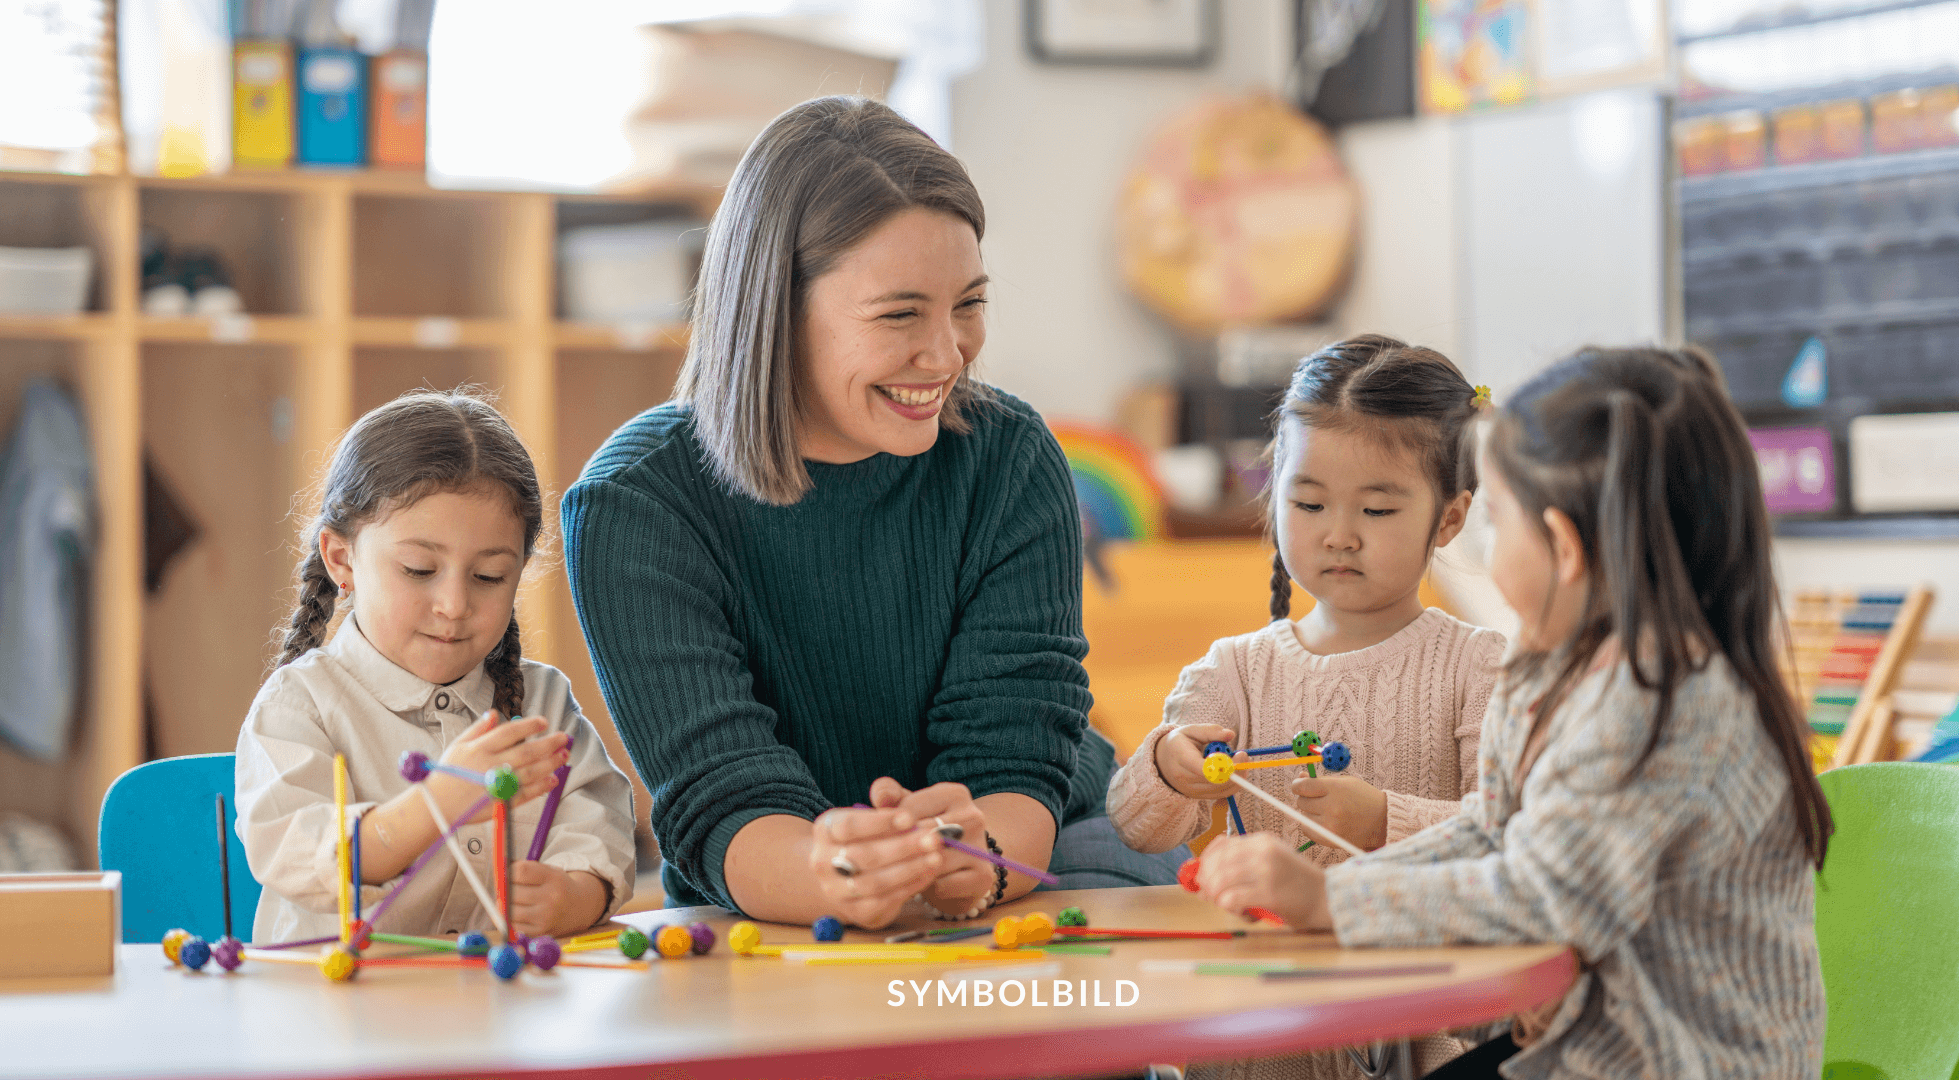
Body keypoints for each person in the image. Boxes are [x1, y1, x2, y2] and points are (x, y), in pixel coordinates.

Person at [562, 96, 1183, 931]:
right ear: (774, 311)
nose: (949, 352)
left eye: (968, 303)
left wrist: (978, 864)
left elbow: (1018, 759)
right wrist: (841, 877)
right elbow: (720, 800)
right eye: (900, 314)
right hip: (781, 899)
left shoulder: (1009, 457)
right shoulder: (635, 503)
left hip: (1052, 854)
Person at [1191, 346, 1832, 1080]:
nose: (1483, 545)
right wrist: (1331, 896)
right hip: (1589, 1050)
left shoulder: (1666, 702)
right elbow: (1493, 831)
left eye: (1497, 519)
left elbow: (1544, 897)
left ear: (1560, 546)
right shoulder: (1548, 671)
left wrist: (1332, 900)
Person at [1108, 335, 1505, 1077]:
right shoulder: (1233, 671)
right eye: (1309, 501)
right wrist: (1168, 767)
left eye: (1379, 509)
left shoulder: (1478, 666)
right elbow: (1135, 827)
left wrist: (1386, 819)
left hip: (1421, 1032)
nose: (1339, 533)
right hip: (1260, 1036)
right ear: (1274, 495)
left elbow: (1515, 836)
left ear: (1449, 520)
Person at [237, 391, 635, 944]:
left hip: (494, 1010)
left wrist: (573, 896)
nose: (454, 604)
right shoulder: (298, 704)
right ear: (341, 559)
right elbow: (301, 851)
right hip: (334, 1013)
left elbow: (601, 830)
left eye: (490, 576)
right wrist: (438, 802)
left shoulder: (542, 704)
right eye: (419, 569)